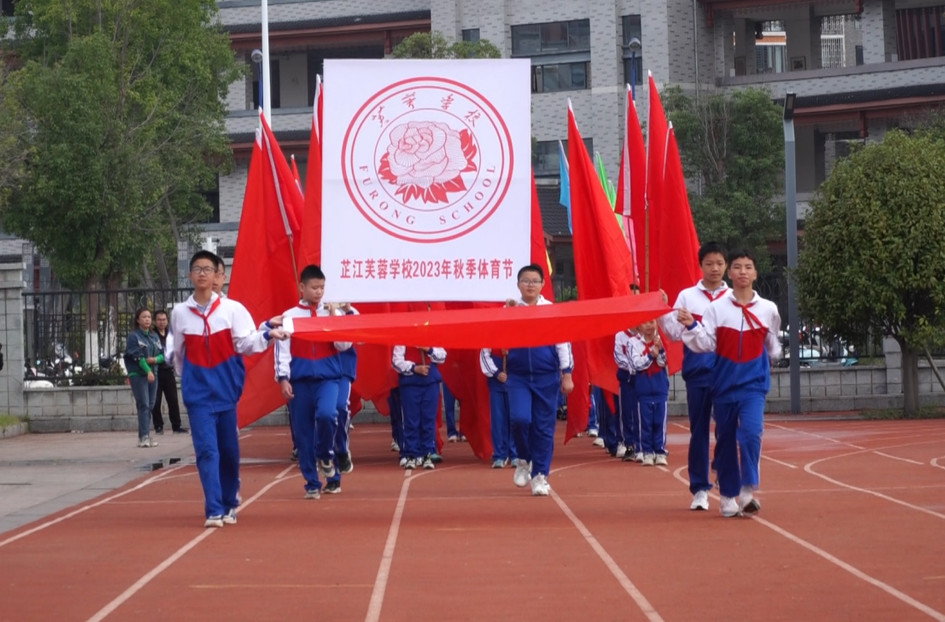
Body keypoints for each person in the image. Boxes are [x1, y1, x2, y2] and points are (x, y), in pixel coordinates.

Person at [171, 250, 287, 528]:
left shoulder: (232, 309)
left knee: (229, 452)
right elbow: (177, 352)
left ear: (217, 276)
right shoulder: (180, 313)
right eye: (197, 269)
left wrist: (268, 334)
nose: (202, 274)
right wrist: (190, 380)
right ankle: (214, 508)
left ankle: (229, 502)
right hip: (198, 397)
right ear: (190, 275)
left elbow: (246, 343)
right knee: (206, 451)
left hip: (226, 393)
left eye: (207, 269)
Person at [679, 248, 782, 517]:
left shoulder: (768, 309)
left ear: (755, 273)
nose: (742, 272)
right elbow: (706, 343)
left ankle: (747, 490)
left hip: (753, 385)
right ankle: (727, 496)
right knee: (725, 439)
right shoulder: (716, 309)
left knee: (751, 433)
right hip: (723, 384)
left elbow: (773, 345)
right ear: (731, 273)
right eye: (737, 267)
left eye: (748, 267)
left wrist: (764, 362)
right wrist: (691, 326)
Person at [481, 264, 573, 497]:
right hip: (519, 376)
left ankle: (540, 475)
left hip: (546, 376)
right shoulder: (509, 309)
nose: (530, 285)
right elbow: (495, 338)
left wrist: (567, 373)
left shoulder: (550, 310)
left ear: (542, 285)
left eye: (535, 281)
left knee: (543, 428)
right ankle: (523, 459)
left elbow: (563, 342)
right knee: (520, 419)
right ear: (518, 284)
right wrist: (508, 315)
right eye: (525, 281)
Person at [658, 241, 729, 511]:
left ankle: (725, 477)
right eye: (709, 263)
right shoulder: (687, 296)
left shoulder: (732, 298)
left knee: (727, 429)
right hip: (698, 374)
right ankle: (699, 489)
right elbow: (674, 333)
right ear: (701, 265)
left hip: (726, 374)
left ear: (726, 266)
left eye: (719, 263)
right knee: (699, 431)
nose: (714, 268)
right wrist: (663, 309)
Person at [276, 265, 352, 499]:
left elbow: (344, 345)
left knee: (328, 415)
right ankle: (312, 483)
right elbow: (282, 349)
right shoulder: (289, 316)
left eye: (322, 287)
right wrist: (283, 378)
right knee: (303, 434)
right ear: (302, 287)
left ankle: (327, 457)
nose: (319, 292)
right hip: (300, 382)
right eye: (314, 287)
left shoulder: (333, 313)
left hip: (328, 379)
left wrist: (334, 318)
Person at [393, 345, 447, 469]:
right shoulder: (403, 338)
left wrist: (429, 350)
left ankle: (428, 452)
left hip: (430, 383)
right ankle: (411, 453)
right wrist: (414, 368)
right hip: (410, 385)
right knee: (411, 421)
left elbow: (442, 356)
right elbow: (396, 361)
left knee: (428, 420)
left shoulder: (431, 336)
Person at [628, 320, 669, 466]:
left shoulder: (662, 340)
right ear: (639, 326)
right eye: (645, 322)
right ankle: (647, 452)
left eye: (652, 322)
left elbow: (664, 362)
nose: (649, 325)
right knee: (645, 423)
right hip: (643, 390)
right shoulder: (633, 343)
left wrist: (660, 350)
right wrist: (651, 355)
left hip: (660, 389)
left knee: (659, 422)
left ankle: (660, 451)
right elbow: (636, 364)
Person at [124, 308, 164, 448]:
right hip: (139, 375)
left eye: (149, 317)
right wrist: (148, 371)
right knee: (144, 404)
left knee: (150, 405)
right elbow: (138, 357)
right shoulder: (134, 337)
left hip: (153, 373)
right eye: (144, 317)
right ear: (138, 320)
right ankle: (144, 436)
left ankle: (144, 435)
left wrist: (155, 360)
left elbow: (162, 354)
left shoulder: (154, 336)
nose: (147, 319)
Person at [150, 310, 187, 435]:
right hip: (156, 371)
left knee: (173, 399)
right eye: (159, 320)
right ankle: (158, 426)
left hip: (168, 371)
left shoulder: (171, 335)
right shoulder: (152, 335)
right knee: (156, 400)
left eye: (164, 319)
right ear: (155, 321)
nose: (162, 322)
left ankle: (176, 426)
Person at [479, 348, 516, 468]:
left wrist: (511, 355)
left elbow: (523, 356)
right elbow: (484, 356)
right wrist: (496, 373)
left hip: (515, 383)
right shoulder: (489, 339)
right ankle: (500, 455)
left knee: (515, 419)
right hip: (496, 385)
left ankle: (515, 454)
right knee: (498, 420)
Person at [614, 328, 641, 462]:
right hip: (626, 379)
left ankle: (642, 445)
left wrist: (640, 364)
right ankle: (628, 443)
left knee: (640, 411)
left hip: (641, 378)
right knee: (625, 411)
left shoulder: (645, 335)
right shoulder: (620, 335)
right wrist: (633, 365)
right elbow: (619, 358)